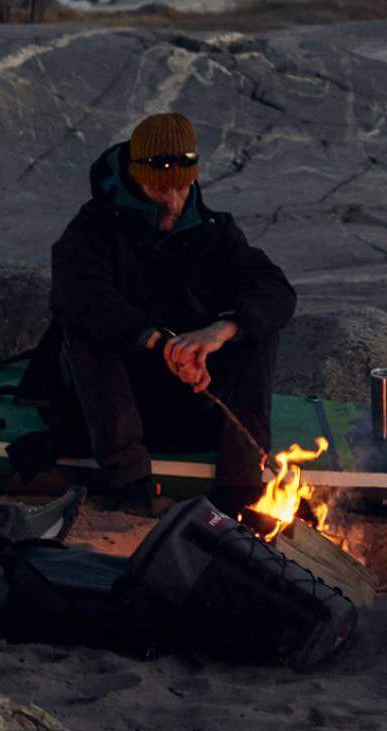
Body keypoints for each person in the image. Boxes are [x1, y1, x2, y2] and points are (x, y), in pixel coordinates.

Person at [23, 111, 295, 514]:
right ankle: (129, 482)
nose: (173, 201)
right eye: (159, 188)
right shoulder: (93, 228)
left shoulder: (213, 232)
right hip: (104, 407)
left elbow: (275, 289)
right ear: (135, 177)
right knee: (84, 327)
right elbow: (77, 293)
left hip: (190, 398)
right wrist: (157, 341)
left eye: (182, 187)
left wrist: (220, 331)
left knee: (255, 326)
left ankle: (240, 486)